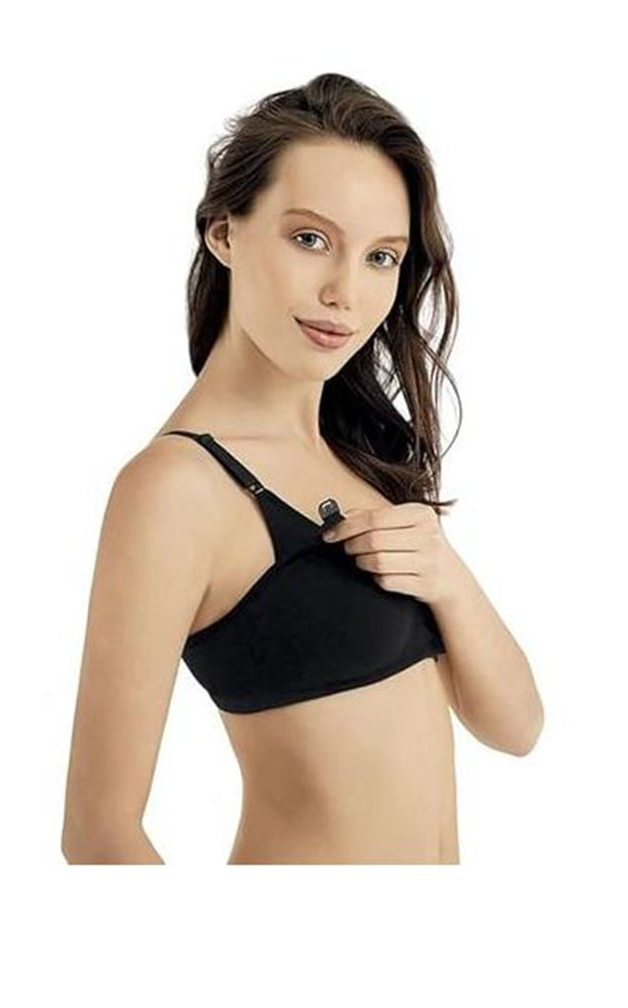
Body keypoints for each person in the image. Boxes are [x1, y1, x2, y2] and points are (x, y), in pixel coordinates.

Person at [61, 73, 543, 864]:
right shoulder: (177, 490)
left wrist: (448, 577)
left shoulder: (358, 460)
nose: (344, 293)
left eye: (381, 257)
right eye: (310, 240)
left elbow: (516, 728)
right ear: (225, 233)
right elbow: (98, 832)